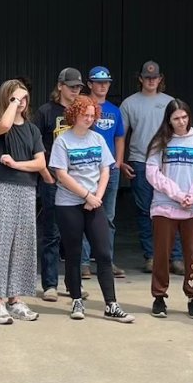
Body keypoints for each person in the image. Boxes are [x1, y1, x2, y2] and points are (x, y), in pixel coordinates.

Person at [49, 96, 135, 323]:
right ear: (74, 115)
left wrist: (96, 197)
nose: (88, 119)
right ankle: (76, 299)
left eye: (92, 115)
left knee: (104, 253)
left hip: (93, 203)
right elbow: (61, 174)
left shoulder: (97, 139)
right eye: (84, 115)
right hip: (69, 204)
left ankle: (112, 304)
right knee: (74, 253)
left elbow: (106, 170)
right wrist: (86, 195)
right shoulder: (62, 141)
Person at [0, 80, 46, 325]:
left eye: (25, 97)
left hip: (27, 189)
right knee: (0, 241)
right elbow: (5, 124)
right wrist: (13, 102)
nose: (22, 102)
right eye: (16, 98)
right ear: (7, 99)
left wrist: (17, 164)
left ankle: (15, 299)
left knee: (22, 244)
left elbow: (40, 164)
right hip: (1, 188)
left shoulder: (32, 130)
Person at [145, 99, 193, 319]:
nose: (181, 122)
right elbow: (153, 173)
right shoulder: (160, 142)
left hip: (192, 207)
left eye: (184, 117)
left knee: (192, 254)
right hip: (165, 206)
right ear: (169, 120)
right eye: (176, 118)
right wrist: (177, 194)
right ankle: (159, 297)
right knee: (162, 255)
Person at [120, 60, 183, 274]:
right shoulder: (129, 103)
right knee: (145, 210)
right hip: (140, 161)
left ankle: (175, 257)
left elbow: (180, 130)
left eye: (154, 77)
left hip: (167, 161)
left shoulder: (170, 102)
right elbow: (121, 135)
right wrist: (121, 161)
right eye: (147, 77)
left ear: (160, 78)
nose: (151, 80)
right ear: (140, 79)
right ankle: (151, 256)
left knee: (172, 209)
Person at [35, 67, 83, 300]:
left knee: (74, 234)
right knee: (52, 232)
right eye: (72, 86)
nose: (75, 91)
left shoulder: (82, 112)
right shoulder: (45, 112)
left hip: (77, 179)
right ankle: (50, 284)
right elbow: (36, 145)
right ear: (60, 86)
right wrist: (45, 172)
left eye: (78, 87)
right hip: (53, 179)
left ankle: (73, 285)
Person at [82, 66, 126, 279]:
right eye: (98, 82)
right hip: (86, 169)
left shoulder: (114, 110)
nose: (103, 85)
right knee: (83, 213)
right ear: (89, 84)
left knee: (108, 217)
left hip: (109, 170)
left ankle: (106, 261)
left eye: (107, 82)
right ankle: (83, 263)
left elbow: (119, 137)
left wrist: (118, 162)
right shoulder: (82, 108)